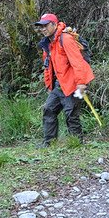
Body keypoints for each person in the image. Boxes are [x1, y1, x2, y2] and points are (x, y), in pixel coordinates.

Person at [34, 13, 94, 146]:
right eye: (41, 27)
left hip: (72, 83)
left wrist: (81, 83)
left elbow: (77, 62)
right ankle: (49, 143)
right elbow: (48, 67)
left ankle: (76, 144)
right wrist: (49, 86)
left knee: (71, 115)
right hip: (59, 85)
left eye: (46, 26)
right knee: (49, 110)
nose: (43, 29)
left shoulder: (65, 39)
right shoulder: (47, 43)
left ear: (54, 25)